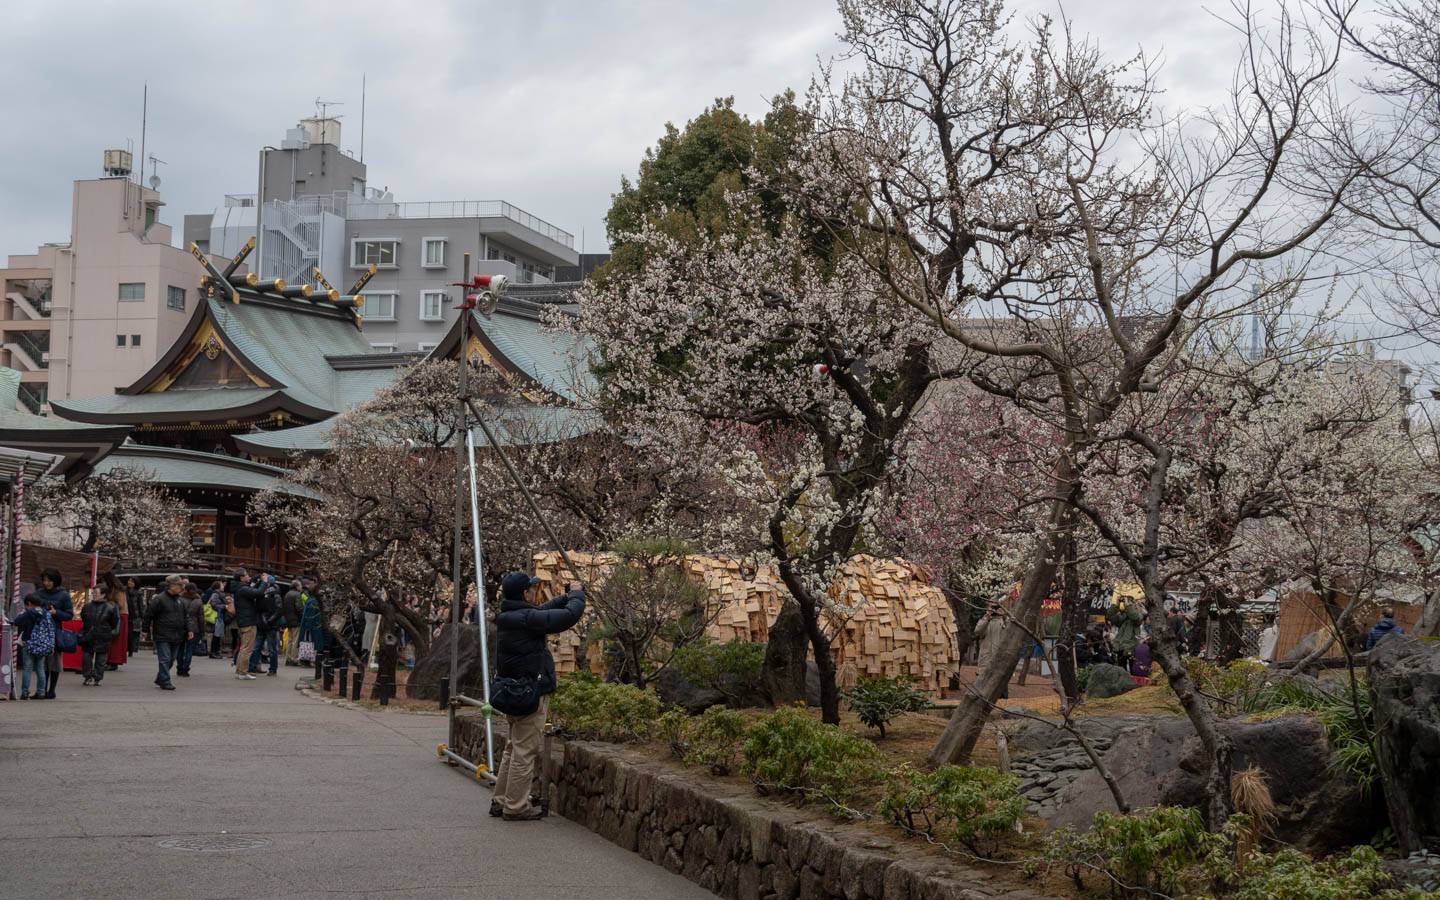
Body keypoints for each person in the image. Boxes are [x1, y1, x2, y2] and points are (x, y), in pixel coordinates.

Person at [492, 572, 586, 821]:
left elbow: (542, 611)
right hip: (529, 693)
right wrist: (577, 595)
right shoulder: (525, 619)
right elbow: (568, 617)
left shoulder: (510, 616)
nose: (536, 592)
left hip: (513, 691)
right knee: (525, 751)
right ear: (525, 593)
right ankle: (515, 806)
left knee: (513, 749)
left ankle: (501, 801)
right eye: (533, 589)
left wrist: (564, 596)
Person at [144, 575, 188, 691]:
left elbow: (185, 616)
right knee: (165, 659)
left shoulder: (180, 600)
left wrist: (189, 629)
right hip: (162, 633)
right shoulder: (159, 599)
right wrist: (145, 629)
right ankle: (165, 681)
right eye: (179, 585)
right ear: (172, 585)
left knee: (171, 659)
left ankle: (160, 678)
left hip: (177, 634)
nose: (181, 587)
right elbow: (149, 615)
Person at [36, 567, 72, 700]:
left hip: (55, 630)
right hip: (40, 631)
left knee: (55, 661)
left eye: (49, 580)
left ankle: (52, 690)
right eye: (44, 580)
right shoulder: (39, 593)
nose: (46, 583)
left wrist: (56, 613)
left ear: (55, 581)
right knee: (42, 662)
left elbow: (69, 615)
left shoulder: (64, 595)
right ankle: (42, 689)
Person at [228, 569, 267, 680]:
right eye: (247, 575)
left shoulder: (239, 588)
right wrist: (264, 582)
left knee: (243, 648)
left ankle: (240, 671)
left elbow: (252, 591)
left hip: (243, 621)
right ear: (241, 578)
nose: (249, 577)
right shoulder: (242, 588)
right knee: (247, 649)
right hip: (248, 621)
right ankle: (243, 672)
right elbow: (258, 593)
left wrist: (260, 582)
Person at [10, 594, 51, 699]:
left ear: (28, 604)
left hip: (29, 644)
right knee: (40, 668)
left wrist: (23, 613)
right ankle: (41, 692)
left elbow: (17, 622)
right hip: (43, 645)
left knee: (27, 668)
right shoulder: (46, 614)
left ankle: (25, 692)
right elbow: (52, 630)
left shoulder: (29, 613)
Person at [79, 586, 120, 686]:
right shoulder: (87, 607)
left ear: (103, 595)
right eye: (93, 593)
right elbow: (83, 619)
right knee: (86, 658)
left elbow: (114, 622)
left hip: (103, 636)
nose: (94, 595)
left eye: (96, 593)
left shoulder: (111, 608)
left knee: (101, 660)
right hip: (88, 636)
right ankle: (87, 676)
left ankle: (98, 678)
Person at [972, 600, 1010, 699]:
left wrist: (1004, 616)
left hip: (1000, 657)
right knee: (983, 682)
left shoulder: (1005, 620)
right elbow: (978, 631)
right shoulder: (984, 620)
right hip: (986, 656)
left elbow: (1011, 632)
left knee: (1001, 682)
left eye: (996, 607)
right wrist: (987, 618)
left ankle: (1003, 702)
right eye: (992, 607)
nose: (994, 610)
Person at [249, 576, 284, 677]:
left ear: (269, 583)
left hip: (270, 625)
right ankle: (252, 667)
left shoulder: (275, 595)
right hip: (261, 624)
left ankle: (273, 670)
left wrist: (269, 621)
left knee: (271, 649)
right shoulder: (260, 593)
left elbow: (279, 610)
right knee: (256, 648)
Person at [1106, 596, 1143, 672]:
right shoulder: (1123, 616)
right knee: (1121, 671)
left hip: (1132, 647)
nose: (1126, 603)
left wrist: (1128, 606)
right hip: (1121, 647)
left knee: (1133, 670)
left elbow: (1135, 617)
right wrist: (1116, 605)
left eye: (1129, 602)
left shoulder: (1139, 615)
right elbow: (1110, 617)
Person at [176, 582, 205, 677]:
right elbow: (201, 618)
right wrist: (202, 631)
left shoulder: (179, 599)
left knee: (180, 648)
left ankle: (179, 668)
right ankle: (185, 669)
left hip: (181, 627)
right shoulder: (198, 601)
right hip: (194, 628)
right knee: (189, 650)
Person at [283, 579, 305, 666]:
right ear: (297, 586)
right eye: (300, 585)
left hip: (288, 620)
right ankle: (294, 659)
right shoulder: (297, 595)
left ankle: (288, 658)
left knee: (289, 640)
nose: (301, 587)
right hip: (296, 620)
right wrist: (302, 617)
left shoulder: (287, 594)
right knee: (295, 640)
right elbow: (299, 608)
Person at [126, 577, 144, 657]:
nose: (130, 582)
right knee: (126, 633)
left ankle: (131, 650)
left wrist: (142, 616)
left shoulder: (139, 593)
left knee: (132, 634)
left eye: (132, 581)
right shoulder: (125, 591)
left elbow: (141, 605)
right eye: (129, 580)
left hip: (135, 616)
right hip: (126, 614)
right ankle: (127, 649)